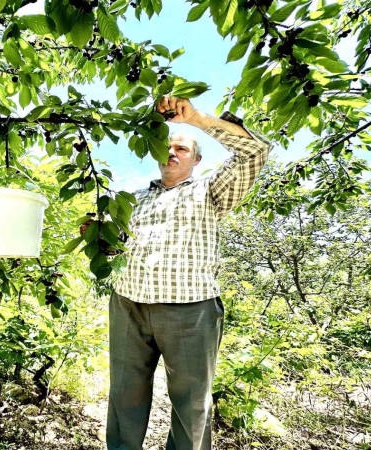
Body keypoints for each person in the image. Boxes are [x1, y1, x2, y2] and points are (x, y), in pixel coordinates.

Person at [104, 96, 273, 449]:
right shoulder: (132, 199)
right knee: (124, 395)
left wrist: (196, 119)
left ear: (196, 159)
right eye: (167, 146)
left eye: (182, 148)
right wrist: (102, 238)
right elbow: (115, 248)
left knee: (192, 403)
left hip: (191, 308)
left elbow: (256, 152)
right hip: (128, 305)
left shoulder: (210, 191)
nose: (172, 152)